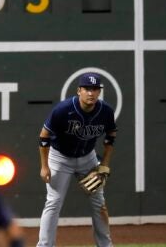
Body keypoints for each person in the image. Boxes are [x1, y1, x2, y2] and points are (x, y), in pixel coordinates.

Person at [37, 72, 117, 247]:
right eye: (87, 88)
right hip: (60, 159)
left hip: (87, 159)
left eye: (95, 89)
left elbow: (111, 135)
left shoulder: (105, 111)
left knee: (99, 203)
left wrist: (104, 164)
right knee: (53, 202)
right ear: (79, 91)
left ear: (99, 92)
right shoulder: (63, 110)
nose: (91, 93)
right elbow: (44, 137)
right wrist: (44, 166)